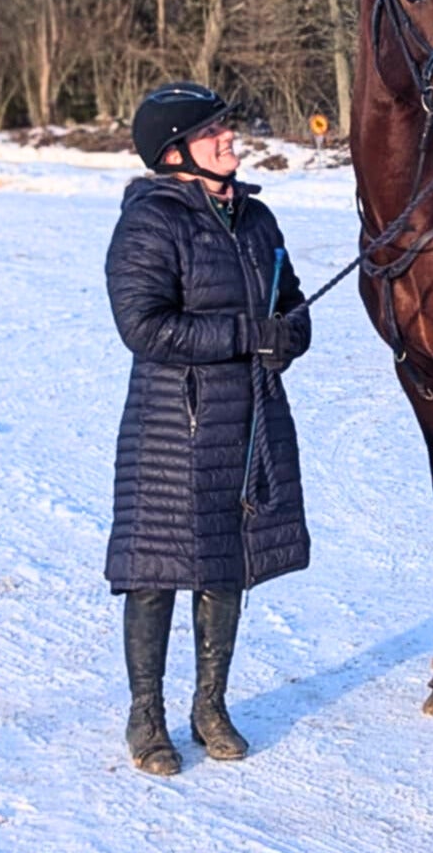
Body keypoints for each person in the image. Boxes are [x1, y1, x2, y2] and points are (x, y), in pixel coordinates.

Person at [104, 81, 311, 775]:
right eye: (212, 132)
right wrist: (242, 334)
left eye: (227, 127)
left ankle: (210, 706)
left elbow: (295, 309)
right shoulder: (151, 222)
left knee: (227, 564)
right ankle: (147, 717)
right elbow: (143, 326)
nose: (231, 139)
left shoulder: (257, 220)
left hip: (248, 417)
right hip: (172, 426)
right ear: (174, 153)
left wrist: (285, 337)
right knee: (155, 571)